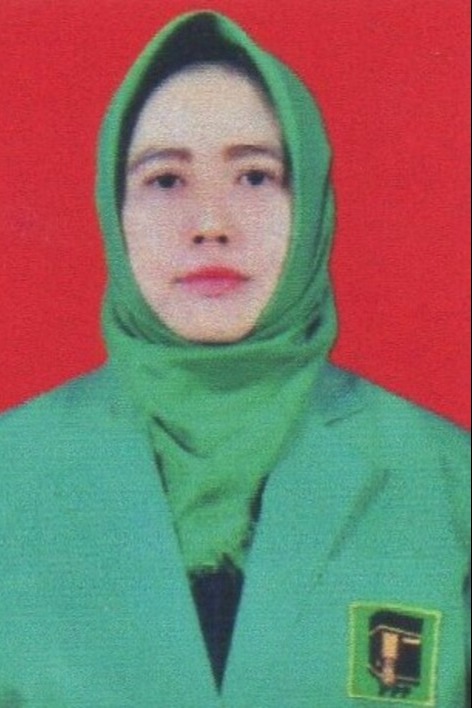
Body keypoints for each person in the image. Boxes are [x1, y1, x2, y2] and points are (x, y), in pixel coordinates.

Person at [0, 10, 469, 707]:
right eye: (166, 181)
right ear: (114, 211)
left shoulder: (449, 480)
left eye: (254, 176)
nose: (211, 224)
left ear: (310, 205)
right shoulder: (12, 472)